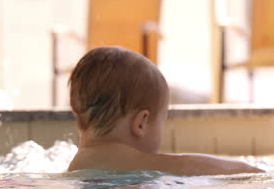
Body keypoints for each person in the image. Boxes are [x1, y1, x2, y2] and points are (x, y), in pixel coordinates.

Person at [67, 46, 264, 175]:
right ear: (141, 123)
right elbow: (190, 165)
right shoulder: (145, 165)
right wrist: (250, 171)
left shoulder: (75, 168)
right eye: (163, 120)